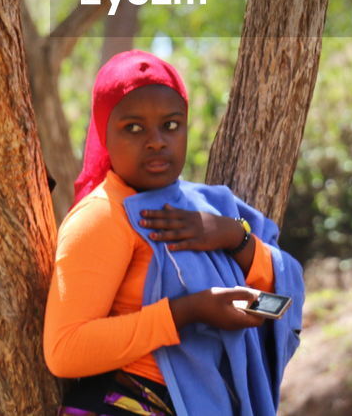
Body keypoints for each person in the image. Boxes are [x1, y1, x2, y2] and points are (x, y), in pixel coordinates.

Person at [44, 50, 303, 416]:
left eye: (170, 125)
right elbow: (65, 350)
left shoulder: (212, 206)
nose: (156, 141)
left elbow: (283, 290)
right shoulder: (103, 215)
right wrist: (188, 311)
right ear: (104, 134)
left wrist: (234, 238)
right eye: (134, 128)